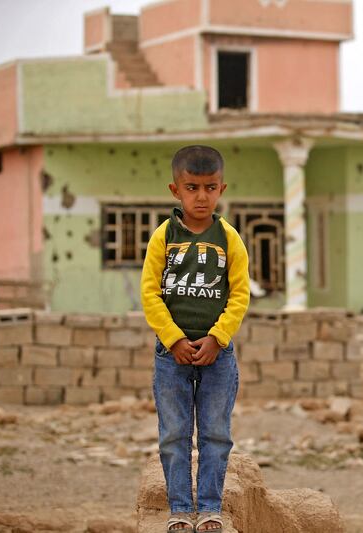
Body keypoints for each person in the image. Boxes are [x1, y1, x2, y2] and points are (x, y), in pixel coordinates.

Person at [141, 145, 250, 532]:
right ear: (176, 190)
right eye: (192, 188)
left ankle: (208, 509)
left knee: (216, 433)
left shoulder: (229, 238)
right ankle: (179, 510)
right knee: (174, 433)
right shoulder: (163, 237)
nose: (201, 196)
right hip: (171, 355)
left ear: (221, 189)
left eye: (209, 187)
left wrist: (218, 338)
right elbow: (150, 294)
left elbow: (239, 294)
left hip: (217, 355)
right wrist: (172, 339)